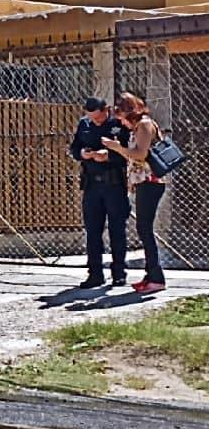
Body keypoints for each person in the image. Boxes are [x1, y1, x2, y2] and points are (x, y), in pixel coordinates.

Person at [102, 93, 167, 294]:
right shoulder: (138, 127)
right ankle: (150, 275)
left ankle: (157, 277)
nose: (120, 121)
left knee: (144, 228)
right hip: (143, 182)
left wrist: (116, 148)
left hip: (151, 182)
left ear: (130, 112)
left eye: (121, 116)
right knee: (143, 228)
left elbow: (140, 154)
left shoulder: (145, 125)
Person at [69, 97, 131, 289]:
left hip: (114, 184)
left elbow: (129, 152)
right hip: (92, 186)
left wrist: (109, 156)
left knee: (117, 230)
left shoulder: (119, 124)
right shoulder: (84, 124)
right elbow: (74, 147)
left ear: (107, 110)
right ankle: (95, 273)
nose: (96, 121)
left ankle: (119, 273)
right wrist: (82, 155)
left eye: (98, 117)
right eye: (92, 118)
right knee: (93, 231)